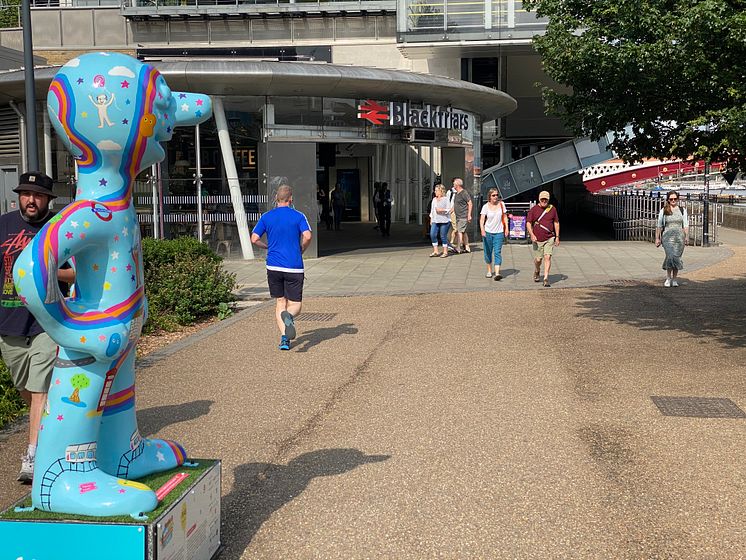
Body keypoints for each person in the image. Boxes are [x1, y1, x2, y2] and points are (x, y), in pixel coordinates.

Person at [0, 171, 75, 482]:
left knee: (39, 388)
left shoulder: (60, 229)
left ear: (48, 199)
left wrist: (48, 271)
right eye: (26, 194)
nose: (31, 200)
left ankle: (33, 455)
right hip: (9, 323)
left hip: (47, 323)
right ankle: (57, 427)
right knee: (26, 389)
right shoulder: (3, 225)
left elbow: (76, 275)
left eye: (38, 195)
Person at [251, 184, 312, 350]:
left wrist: (267, 247)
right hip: (294, 266)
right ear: (291, 199)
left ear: (276, 198)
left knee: (280, 302)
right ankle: (290, 316)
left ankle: (285, 339)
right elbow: (307, 236)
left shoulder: (266, 217)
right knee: (295, 304)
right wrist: (302, 249)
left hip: (273, 266)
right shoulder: (299, 216)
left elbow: (254, 238)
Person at [526, 190, 560, 287]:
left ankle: (545, 278)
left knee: (547, 257)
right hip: (537, 239)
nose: (544, 201)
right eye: (542, 199)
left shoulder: (552, 209)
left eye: (546, 199)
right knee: (538, 259)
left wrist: (557, 237)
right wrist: (532, 234)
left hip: (549, 237)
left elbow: (556, 223)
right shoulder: (534, 210)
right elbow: (528, 223)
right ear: (539, 199)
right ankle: (537, 270)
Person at [655, 190, 688, 287]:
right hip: (667, 237)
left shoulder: (682, 210)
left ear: (678, 199)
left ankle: (674, 279)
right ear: (668, 200)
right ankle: (668, 278)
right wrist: (657, 238)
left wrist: (686, 237)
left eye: (675, 199)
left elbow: (685, 225)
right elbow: (659, 225)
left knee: (676, 257)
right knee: (670, 256)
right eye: (671, 199)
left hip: (679, 238)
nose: (673, 200)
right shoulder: (664, 210)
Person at [480, 188, 509, 280]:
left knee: (497, 252)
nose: (495, 197)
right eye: (493, 195)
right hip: (488, 232)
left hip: (499, 232)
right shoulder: (485, 206)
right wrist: (482, 230)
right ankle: (489, 270)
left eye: (497, 195)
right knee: (488, 252)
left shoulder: (501, 204)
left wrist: (506, 228)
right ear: (489, 197)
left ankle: (497, 273)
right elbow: (482, 220)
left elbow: (505, 217)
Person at [428, 184, 451, 258]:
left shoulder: (446, 199)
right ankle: (436, 251)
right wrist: (431, 219)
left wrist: (442, 210)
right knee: (432, 234)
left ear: (441, 191)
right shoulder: (434, 199)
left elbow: (449, 209)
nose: (435, 192)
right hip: (435, 220)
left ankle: (445, 251)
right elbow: (432, 210)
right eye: (435, 190)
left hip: (444, 220)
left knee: (443, 236)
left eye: (436, 190)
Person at [452, 178, 472, 253]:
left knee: (459, 231)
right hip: (458, 216)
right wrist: (450, 211)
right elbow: (455, 205)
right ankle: (467, 247)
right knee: (463, 231)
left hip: (463, 216)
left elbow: (470, 203)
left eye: (454, 184)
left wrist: (469, 215)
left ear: (457, 185)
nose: (453, 185)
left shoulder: (464, 193)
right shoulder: (457, 193)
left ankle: (458, 248)